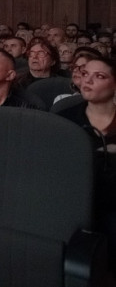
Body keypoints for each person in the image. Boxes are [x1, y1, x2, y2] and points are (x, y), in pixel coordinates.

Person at [56, 57, 116, 271]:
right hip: (70, 203)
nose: (87, 81)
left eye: (99, 76)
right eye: (85, 74)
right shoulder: (62, 120)